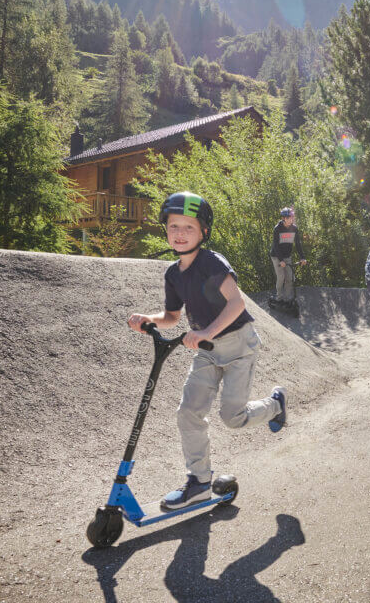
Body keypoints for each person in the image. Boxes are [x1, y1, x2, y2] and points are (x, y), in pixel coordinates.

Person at [128, 192, 286, 511]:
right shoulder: (173, 274)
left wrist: (205, 332)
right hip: (207, 351)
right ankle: (199, 483)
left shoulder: (211, 263)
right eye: (174, 226)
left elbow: (236, 303)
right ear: (166, 229)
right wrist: (149, 319)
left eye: (189, 227)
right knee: (188, 411)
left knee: (233, 418)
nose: (180, 233)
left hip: (239, 345)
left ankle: (275, 406)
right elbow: (172, 317)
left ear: (203, 232)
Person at [269, 207, 307, 305]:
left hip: (287, 256)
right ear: (284, 218)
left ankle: (287, 298)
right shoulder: (277, 229)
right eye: (289, 218)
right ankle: (279, 297)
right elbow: (276, 246)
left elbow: (298, 243)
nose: (291, 219)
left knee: (290, 278)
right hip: (276, 256)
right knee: (281, 277)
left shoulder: (294, 228)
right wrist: (281, 260)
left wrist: (302, 257)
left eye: (292, 217)